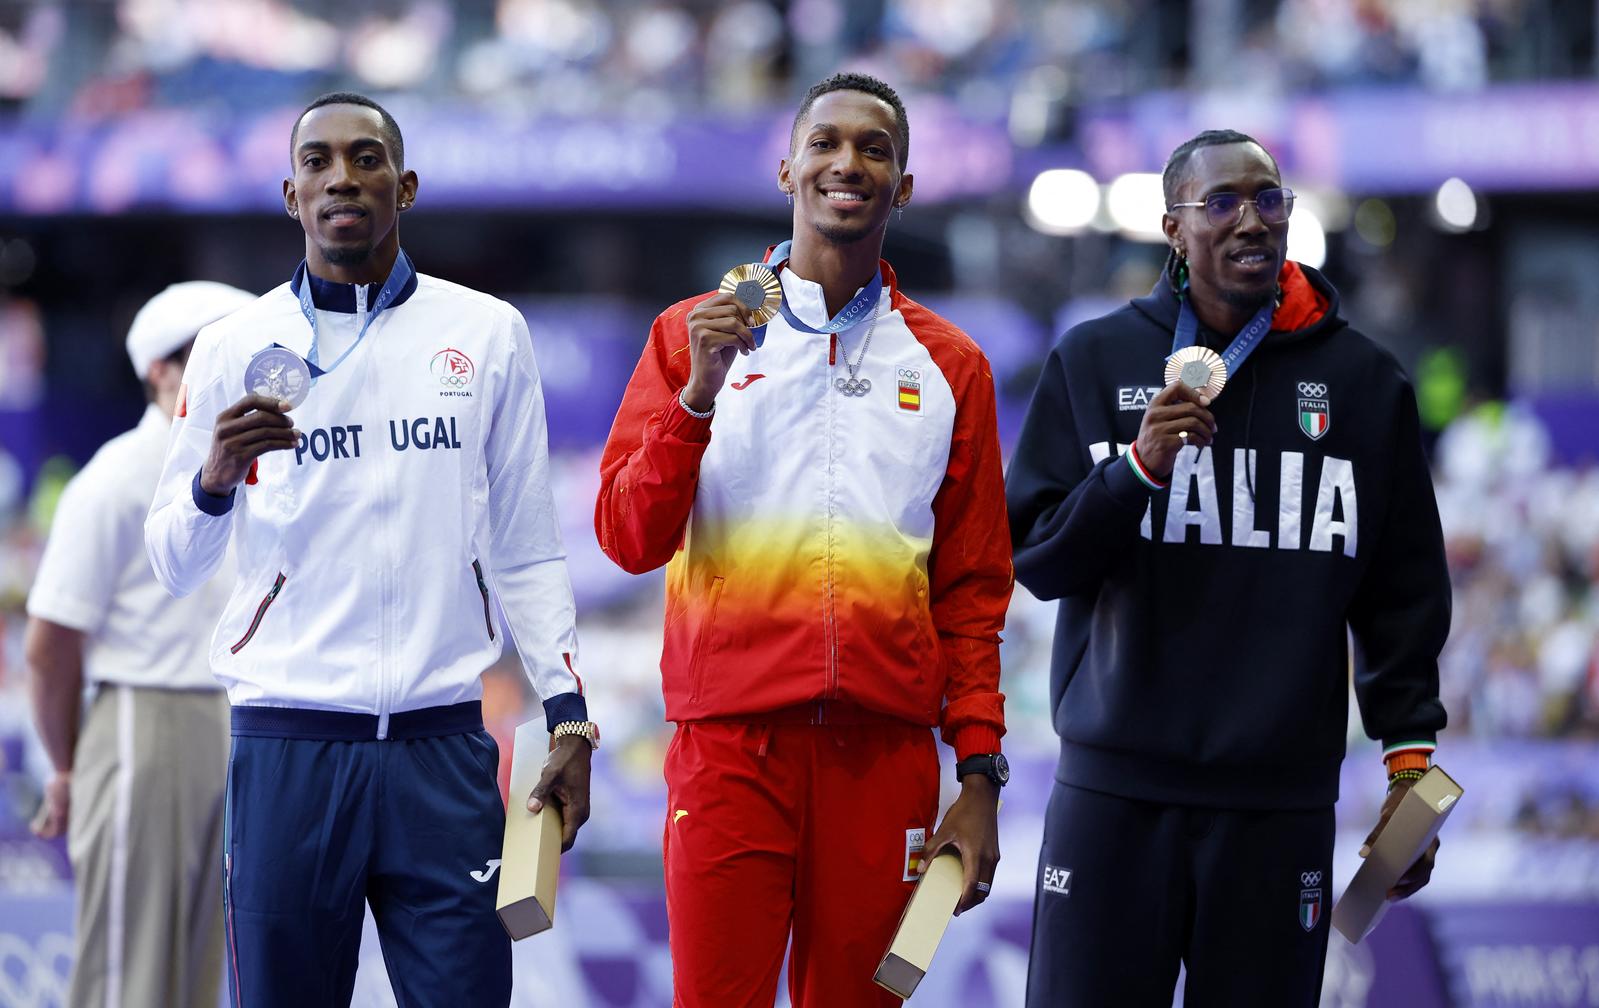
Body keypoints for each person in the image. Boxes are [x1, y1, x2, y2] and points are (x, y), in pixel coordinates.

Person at [143, 92, 592, 1008]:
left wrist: (567, 712)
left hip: (443, 750)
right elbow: (173, 562)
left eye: (366, 158)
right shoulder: (233, 347)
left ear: (406, 185)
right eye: (318, 162)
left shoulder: (486, 332)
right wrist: (213, 479)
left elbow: (528, 546)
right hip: (288, 748)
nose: (342, 177)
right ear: (290, 192)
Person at [595, 72, 1013, 1008]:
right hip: (730, 749)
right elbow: (625, 537)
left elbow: (974, 593)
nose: (848, 162)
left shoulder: (952, 366)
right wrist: (697, 399)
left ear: (903, 187)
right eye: (826, 141)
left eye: (876, 148)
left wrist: (979, 772)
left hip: (884, 761)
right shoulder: (689, 335)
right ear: (787, 166)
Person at [1007, 128, 1451, 1006]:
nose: (1252, 219)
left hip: (1277, 807)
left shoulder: (1366, 384)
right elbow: (1040, 559)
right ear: (1172, 227)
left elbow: (1403, 597)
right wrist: (1132, 473)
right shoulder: (1094, 361)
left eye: (1269, 199)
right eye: (1221, 203)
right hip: (1113, 796)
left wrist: (1412, 775)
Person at [25, 280, 254, 1008]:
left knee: (195, 975)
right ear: (159, 370)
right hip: (143, 720)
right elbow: (51, 642)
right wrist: (67, 766)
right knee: (128, 970)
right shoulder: (116, 477)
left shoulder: (257, 470)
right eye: (204, 356)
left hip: (234, 722)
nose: (225, 372)